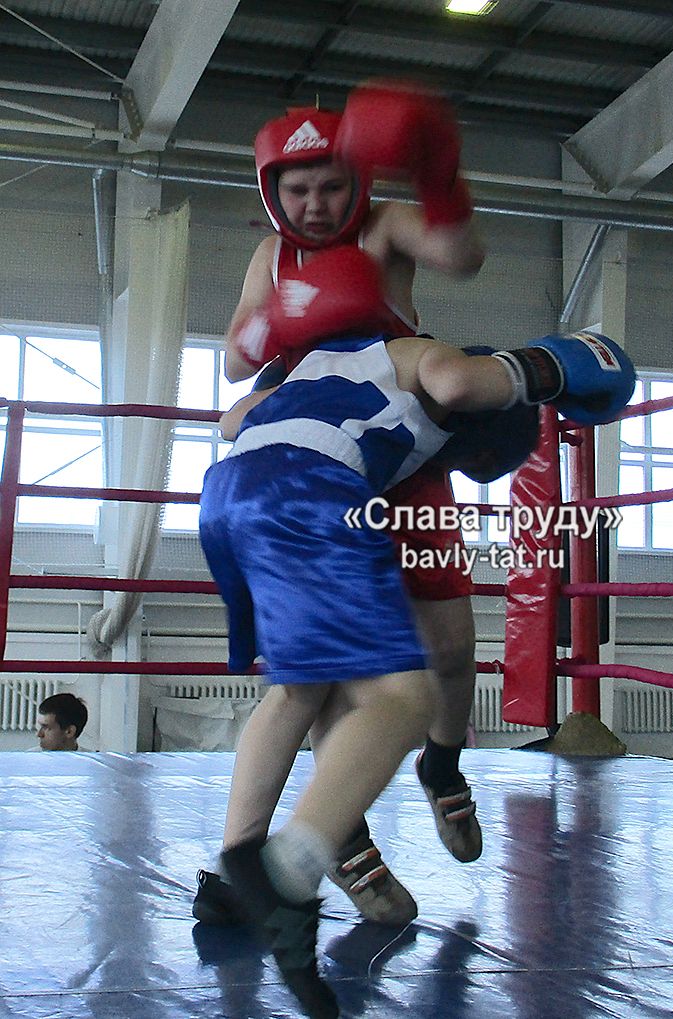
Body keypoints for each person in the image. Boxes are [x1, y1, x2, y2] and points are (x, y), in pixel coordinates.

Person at [198, 313, 636, 1018]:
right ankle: (288, 869)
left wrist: (284, 388)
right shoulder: (428, 360)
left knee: (294, 690)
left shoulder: (321, 366)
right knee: (402, 700)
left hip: (228, 495)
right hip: (310, 491)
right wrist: (553, 367)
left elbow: (229, 421)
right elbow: (463, 379)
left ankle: (234, 868)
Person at [194, 79, 491, 930]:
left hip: (401, 439)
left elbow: (462, 256)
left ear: (355, 181)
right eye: (297, 189)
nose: (316, 205)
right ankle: (343, 845)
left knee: (448, 645)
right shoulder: (272, 258)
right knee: (322, 676)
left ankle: (443, 761)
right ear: (271, 193)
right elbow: (232, 360)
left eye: (330, 185)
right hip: (313, 457)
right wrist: (283, 320)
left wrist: (441, 176)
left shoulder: (385, 222)